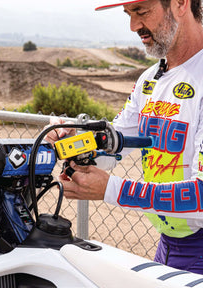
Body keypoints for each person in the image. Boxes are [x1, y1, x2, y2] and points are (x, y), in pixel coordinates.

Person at [45, 0, 203, 274]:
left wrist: (111, 190)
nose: (133, 26)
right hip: (168, 245)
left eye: (141, 11)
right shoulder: (150, 79)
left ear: (180, 3)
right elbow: (114, 145)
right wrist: (73, 142)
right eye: (128, 14)